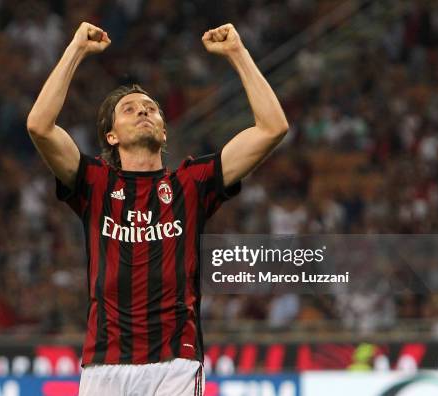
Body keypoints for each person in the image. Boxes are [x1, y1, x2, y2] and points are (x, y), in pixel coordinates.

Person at [27, 22, 288, 395]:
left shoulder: (191, 183)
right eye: (129, 109)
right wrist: (75, 51)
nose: (143, 112)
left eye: (151, 108)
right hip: (104, 364)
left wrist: (237, 54)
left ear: (164, 131)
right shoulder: (94, 182)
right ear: (111, 136)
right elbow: (39, 126)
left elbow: (272, 128)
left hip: (175, 363)